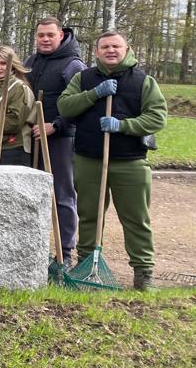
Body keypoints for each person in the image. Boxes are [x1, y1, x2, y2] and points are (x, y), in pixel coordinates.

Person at [58, 31, 167, 290]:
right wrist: (94, 94)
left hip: (130, 161)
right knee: (89, 215)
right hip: (89, 159)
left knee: (136, 218)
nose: (110, 50)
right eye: (105, 47)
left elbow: (157, 117)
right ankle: (86, 265)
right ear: (96, 51)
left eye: (116, 46)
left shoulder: (143, 81)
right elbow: (65, 107)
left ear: (126, 49)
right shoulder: (83, 78)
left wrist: (123, 125)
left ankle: (143, 271)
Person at [24, 17, 84, 267]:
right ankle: (31, 248)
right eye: (41, 35)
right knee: (30, 192)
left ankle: (64, 253)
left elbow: (81, 102)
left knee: (61, 195)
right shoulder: (31, 61)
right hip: (32, 137)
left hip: (60, 139)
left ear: (61, 35)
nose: (45, 39)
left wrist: (56, 125)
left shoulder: (73, 65)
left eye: (50, 35)